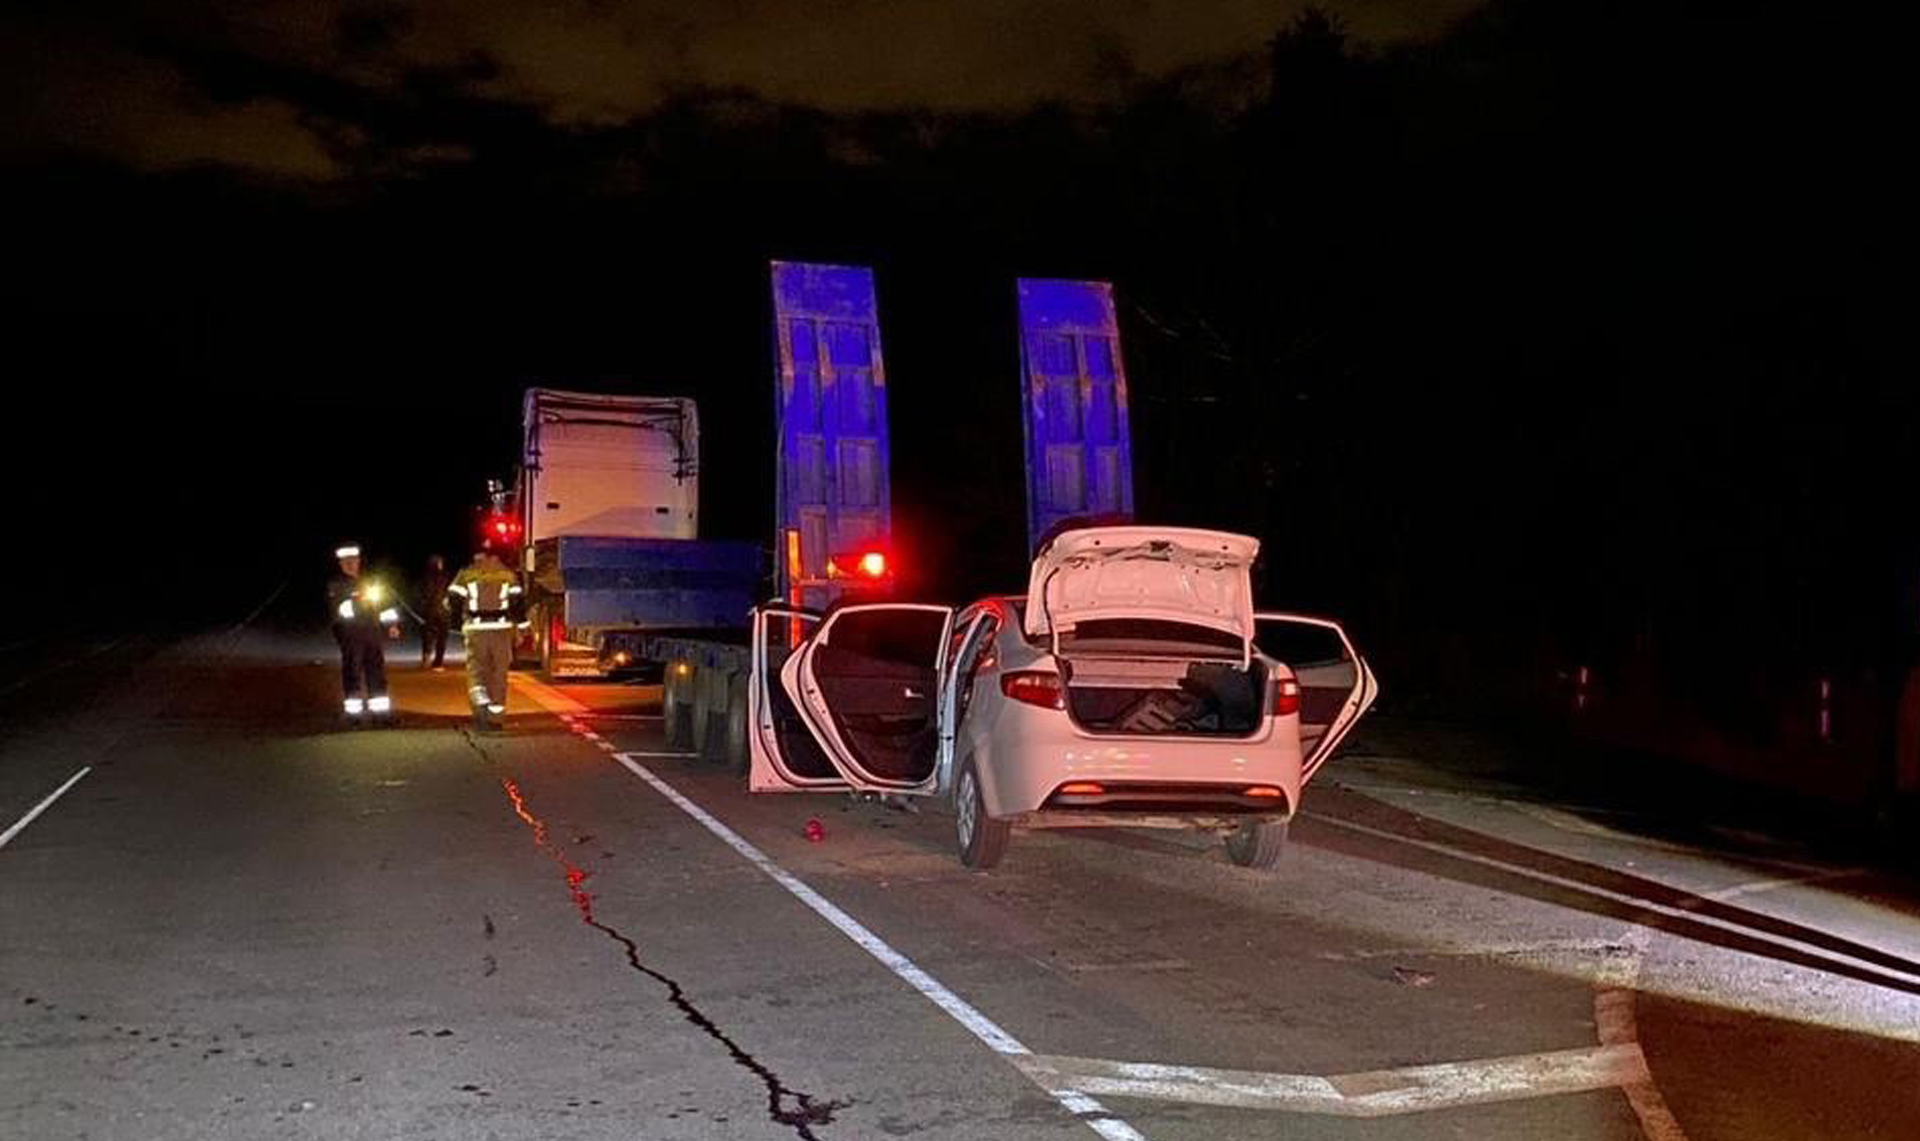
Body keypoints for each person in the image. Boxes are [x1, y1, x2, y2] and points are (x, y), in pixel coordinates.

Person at [449, 543, 525, 731]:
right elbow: (518, 605)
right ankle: (496, 717)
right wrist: (522, 629)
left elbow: (453, 598)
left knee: (477, 670)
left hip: (476, 629)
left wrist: (456, 624)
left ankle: (480, 706)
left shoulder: (467, 573)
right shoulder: (507, 574)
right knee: (499, 672)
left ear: (478, 555)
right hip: (501, 629)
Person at [327, 543, 401, 723]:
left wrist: (392, 625)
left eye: (354, 561)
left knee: (377, 673)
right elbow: (340, 611)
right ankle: (354, 715)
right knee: (352, 672)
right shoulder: (336, 584)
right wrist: (360, 601)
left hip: (373, 633)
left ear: (359, 561)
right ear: (341, 564)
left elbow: (385, 606)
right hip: (351, 635)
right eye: (346, 562)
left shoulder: (370, 581)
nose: (351, 564)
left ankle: (381, 714)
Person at [419, 554, 451, 670]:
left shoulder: (443, 577)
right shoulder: (431, 578)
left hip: (438, 610)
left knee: (437, 636)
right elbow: (426, 593)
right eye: (439, 563)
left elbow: (447, 592)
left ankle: (436, 661)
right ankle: (432, 660)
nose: (441, 565)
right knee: (432, 636)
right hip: (434, 610)